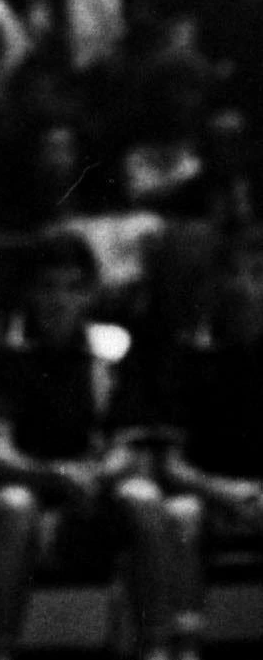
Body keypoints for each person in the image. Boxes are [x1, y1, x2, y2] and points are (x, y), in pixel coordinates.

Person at [0, 230, 177, 660]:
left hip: (94, 492)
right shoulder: (0, 351)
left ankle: (159, 649)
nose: (59, 300)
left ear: (89, 295)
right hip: (25, 491)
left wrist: (96, 476)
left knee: (143, 496)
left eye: (73, 288)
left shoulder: (113, 348)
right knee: (15, 505)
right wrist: (56, 476)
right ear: (29, 292)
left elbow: (128, 447)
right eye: (48, 287)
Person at [153, 226, 263, 660]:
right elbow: (170, 465)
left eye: (257, 273)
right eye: (235, 273)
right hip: (205, 495)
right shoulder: (189, 361)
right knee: (179, 516)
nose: (246, 286)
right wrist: (225, 491)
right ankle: (185, 646)